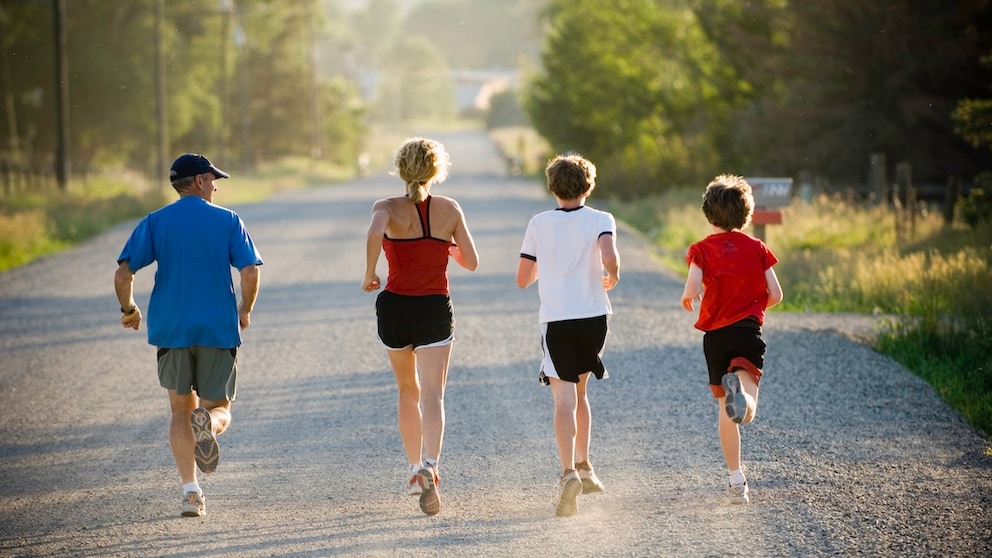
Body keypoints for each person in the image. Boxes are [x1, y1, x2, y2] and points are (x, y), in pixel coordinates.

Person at [114, 153, 263, 518]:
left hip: (172, 329)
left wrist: (129, 310)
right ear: (198, 180)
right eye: (213, 179)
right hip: (217, 328)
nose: (215, 186)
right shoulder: (228, 220)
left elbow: (123, 274)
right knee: (219, 409)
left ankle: (191, 493)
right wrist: (245, 310)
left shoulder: (156, 221)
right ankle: (209, 425)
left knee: (180, 413)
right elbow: (249, 272)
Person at [361, 137, 479, 516]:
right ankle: (431, 464)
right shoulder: (450, 209)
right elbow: (472, 262)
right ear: (436, 170)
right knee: (434, 395)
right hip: (433, 308)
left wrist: (369, 273)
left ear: (400, 168)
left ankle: (414, 470)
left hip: (395, 307)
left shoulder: (386, 207)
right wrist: (445, 247)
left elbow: (375, 233)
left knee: (406, 389)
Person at [516, 153, 620, 517]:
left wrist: (549, 262)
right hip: (594, 316)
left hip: (558, 319)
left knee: (562, 398)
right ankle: (586, 464)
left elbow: (523, 278)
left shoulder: (539, 223)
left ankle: (568, 473)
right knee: (581, 390)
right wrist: (613, 274)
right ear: (588, 186)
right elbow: (609, 256)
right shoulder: (601, 219)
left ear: (552, 187)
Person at [680, 174, 783, 505]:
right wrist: (753, 307)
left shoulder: (701, 250)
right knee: (746, 409)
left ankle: (736, 481)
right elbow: (776, 294)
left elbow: (693, 288)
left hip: (715, 337)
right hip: (747, 332)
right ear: (746, 214)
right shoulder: (757, 248)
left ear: (709, 214)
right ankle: (745, 399)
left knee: (725, 413)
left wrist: (690, 297)